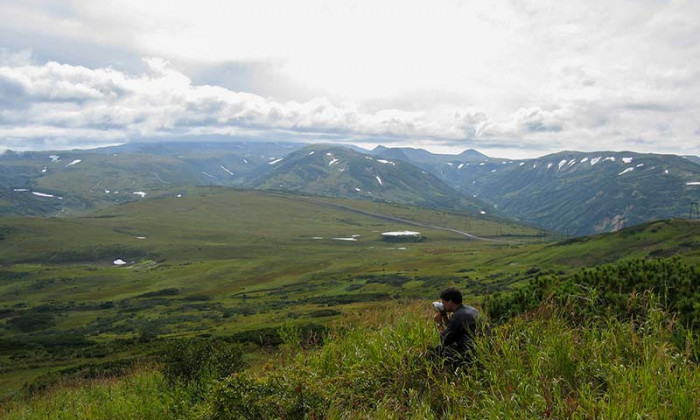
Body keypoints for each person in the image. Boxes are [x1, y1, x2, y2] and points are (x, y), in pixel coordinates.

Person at [432, 287, 480, 368]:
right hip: (479, 348)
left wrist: (439, 323)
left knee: (439, 349)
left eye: (443, 302)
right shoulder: (470, 309)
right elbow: (452, 328)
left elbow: (445, 340)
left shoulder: (458, 316)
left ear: (450, 302)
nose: (442, 305)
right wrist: (444, 315)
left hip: (469, 354)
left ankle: (446, 370)